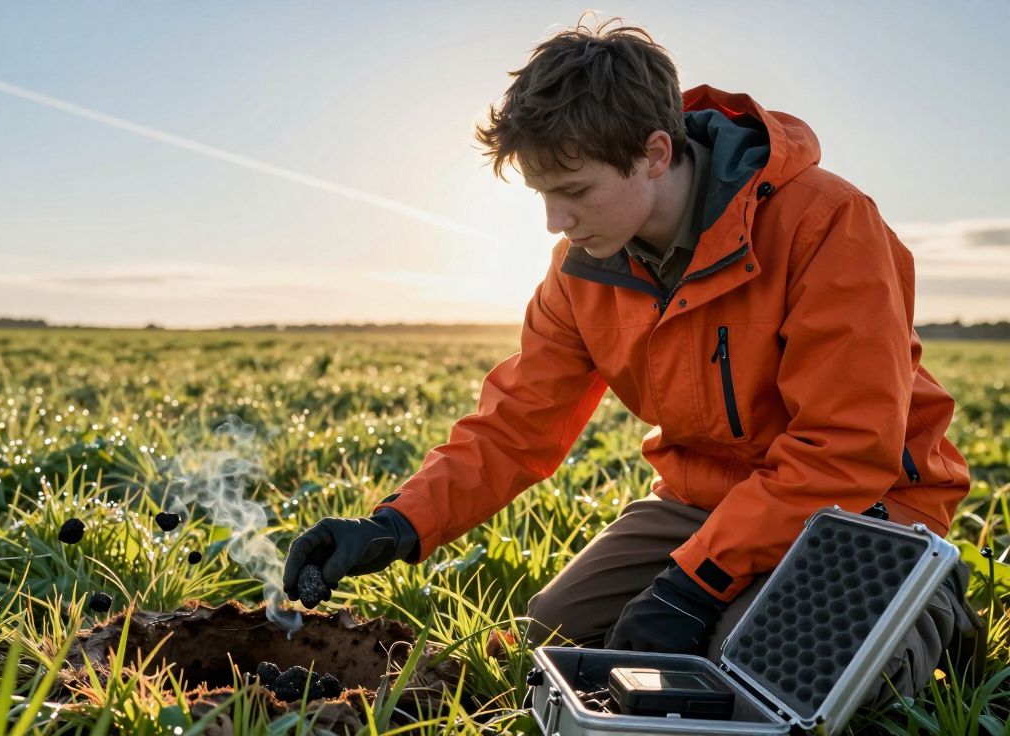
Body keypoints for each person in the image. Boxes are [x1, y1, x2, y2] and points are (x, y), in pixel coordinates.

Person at [282, 16, 981, 706]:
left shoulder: (827, 222)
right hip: (703, 503)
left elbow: (847, 450)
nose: (557, 221)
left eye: (575, 191)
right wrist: (393, 526)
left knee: (752, 668)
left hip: (866, 507)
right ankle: (739, 598)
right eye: (543, 195)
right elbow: (516, 424)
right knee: (559, 636)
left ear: (653, 152)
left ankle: (928, 608)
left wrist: (691, 585)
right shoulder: (581, 268)